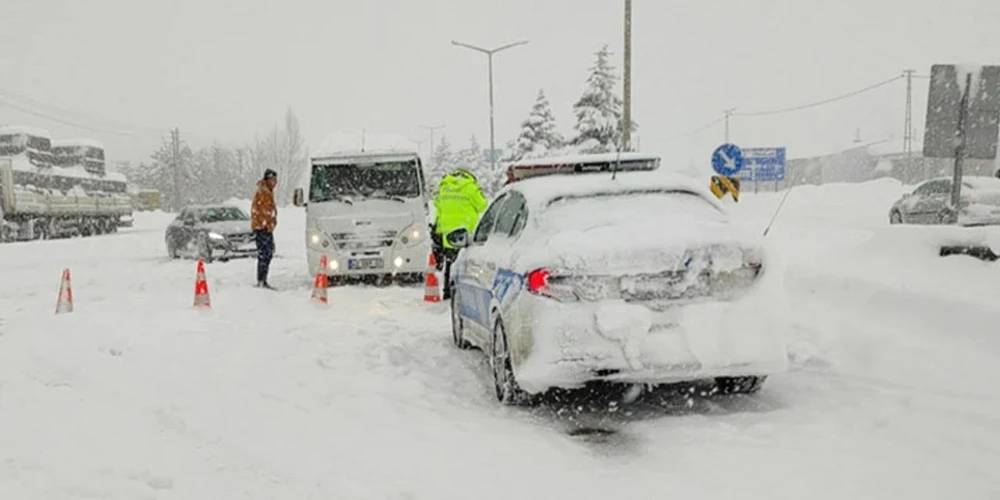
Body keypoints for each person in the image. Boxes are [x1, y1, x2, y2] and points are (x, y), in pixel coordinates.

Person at [433, 168, 487, 298]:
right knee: (466, 264)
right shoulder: (471, 188)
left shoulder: (444, 187)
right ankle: (465, 293)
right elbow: (482, 205)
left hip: (448, 233)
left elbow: (437, 205)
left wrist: (438, 231)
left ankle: (447, 291)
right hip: (465, 233)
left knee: (450, 263)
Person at [251, 169, 278, 289]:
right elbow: (263, 211)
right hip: (263, 228)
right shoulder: (263, 192)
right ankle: (262, 280)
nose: (275, 182)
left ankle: (262, 279)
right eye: (273, 179)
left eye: (275, 179)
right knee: (265, 253)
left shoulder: (267, 191)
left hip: (265, 227)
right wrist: (268, 223)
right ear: (267, 179)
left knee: (267, 253)